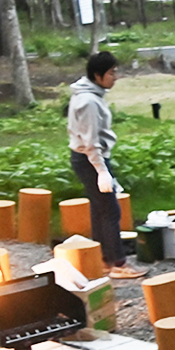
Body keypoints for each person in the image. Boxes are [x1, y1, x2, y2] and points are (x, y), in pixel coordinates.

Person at [67, 51, 147, 281]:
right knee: (110, 211)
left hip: (88, 158)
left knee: (99, 209)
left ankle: (103, 258)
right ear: (97, 75)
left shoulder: (90, 95)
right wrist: (102, 170)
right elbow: (90, 141)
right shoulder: (88, 102)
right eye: (112, 73)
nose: (116, 77)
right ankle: (118, 262)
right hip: (90, 159)